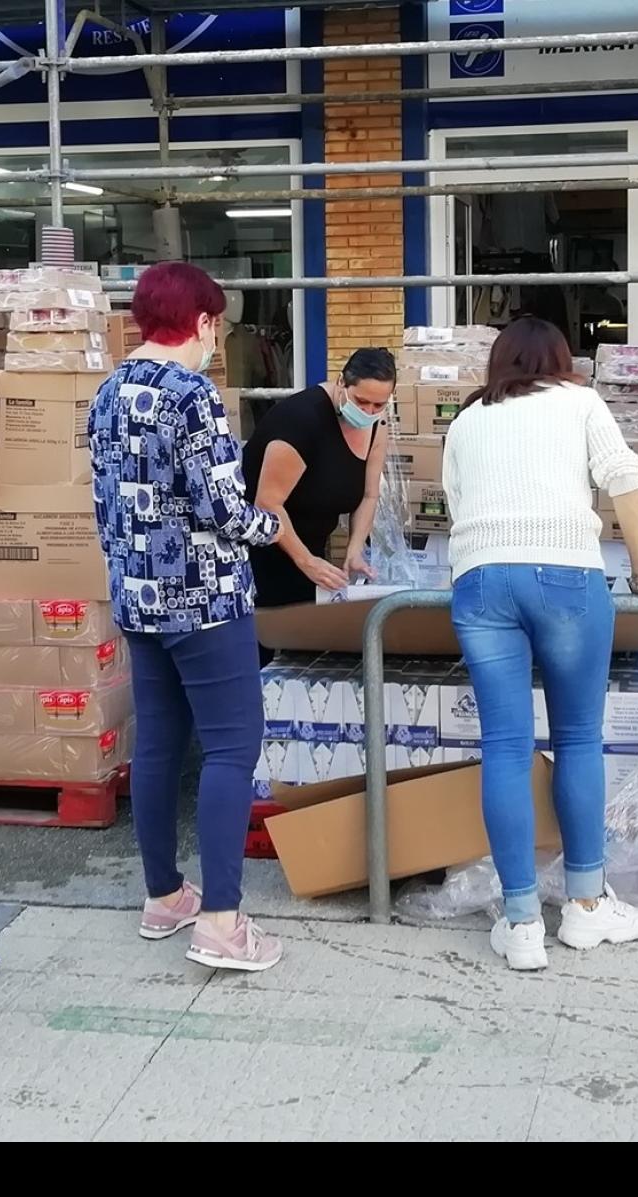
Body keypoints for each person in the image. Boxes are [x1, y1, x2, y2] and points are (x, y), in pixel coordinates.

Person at [442, 317, 638, 971]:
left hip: (482, 580)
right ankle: (586, 910)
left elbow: (457, 507)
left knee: (506, 747)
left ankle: (519, 925)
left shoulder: (467, 419)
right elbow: (624, 479)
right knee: (577, 738)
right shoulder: (579, 400)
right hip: (566, 576)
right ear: (558, 359)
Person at [88, 261, 287, 973]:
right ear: (202, 322)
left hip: (139, 599)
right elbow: (223, 511)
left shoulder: (109, 392)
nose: (217, 342)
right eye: (218, 328)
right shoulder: (193, 395)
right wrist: (272, 526)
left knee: (161, 746)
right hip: (204, 600)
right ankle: (223, 924)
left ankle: (164, 895)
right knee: (233, 748)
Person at [242, 347, 398, 613]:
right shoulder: (301, 420)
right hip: (260, 553)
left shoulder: (375, 423)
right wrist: (307, 562)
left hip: (312, 551)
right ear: (341, 382)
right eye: (361, 402)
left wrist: (354, 549)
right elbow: (268, 503)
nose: (369, 411)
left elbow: (370, 494)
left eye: (379, 405)